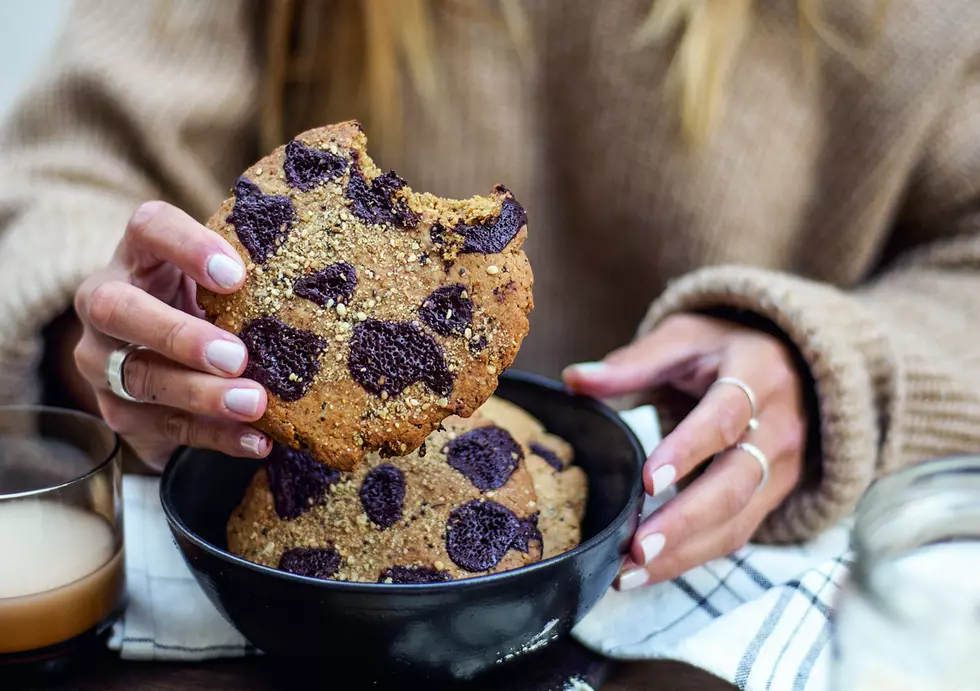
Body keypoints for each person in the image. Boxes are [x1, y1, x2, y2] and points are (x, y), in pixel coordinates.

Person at [1, 0, 978, 593]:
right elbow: (64, 175)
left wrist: (828, 365)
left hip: (771, 572)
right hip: (243, 526)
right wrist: (115, 335)